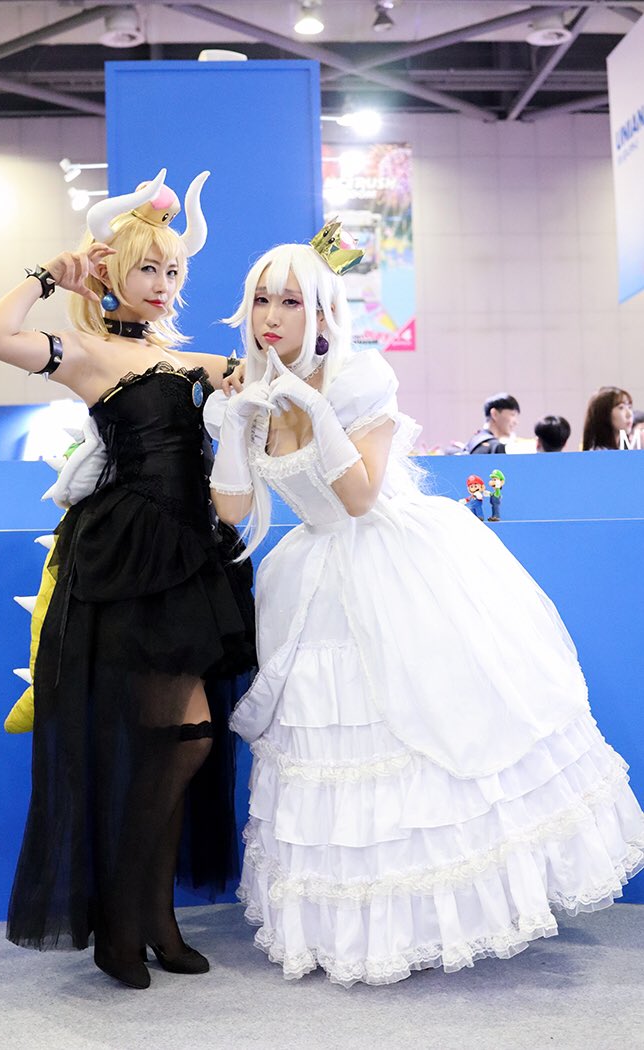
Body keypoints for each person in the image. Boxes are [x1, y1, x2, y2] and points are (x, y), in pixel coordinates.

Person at [206, 226, 644, 988]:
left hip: (393, 563)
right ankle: (357, 926)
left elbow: (359, 496)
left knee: (428, 730)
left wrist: (315, 408)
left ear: (323, 311)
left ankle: (448, 918)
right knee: (332, 743)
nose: (272, 316)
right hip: (311, 578)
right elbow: (233, 509)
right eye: (262, 300)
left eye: (291, 301)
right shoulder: (253, 393)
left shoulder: (358, 380)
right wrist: (235, 428)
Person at [0, 169, 255, 990]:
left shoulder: (192, 358)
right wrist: (45, 276)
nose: (163, 284)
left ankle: (151, 917)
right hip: (129, 562)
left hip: (192, 558)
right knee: (170, 741)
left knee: (184, 741)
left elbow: (270, 378)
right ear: (112, 273)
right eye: (147, 269)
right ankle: (126, 923)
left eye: (173, 271)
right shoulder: (90, 355)